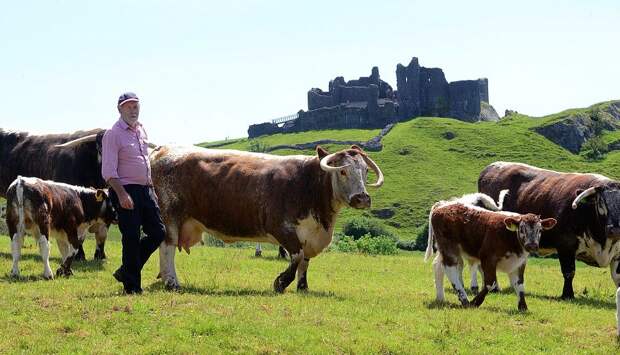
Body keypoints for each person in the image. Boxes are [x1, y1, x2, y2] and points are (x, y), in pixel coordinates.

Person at [101, 92, 165, 294]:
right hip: (125, 189)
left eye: (135, 106)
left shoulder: (141, 130)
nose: (133, 110)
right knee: (131, 237)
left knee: (158, 232)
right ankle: (132, 288)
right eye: (128, 106)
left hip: (145, 190)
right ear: (119, 109)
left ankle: (127, 270)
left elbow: (144, 163)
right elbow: (108, 172)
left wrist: (151, 189)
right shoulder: (113, 134)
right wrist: (121, 194)